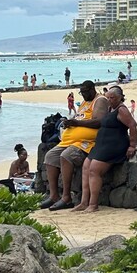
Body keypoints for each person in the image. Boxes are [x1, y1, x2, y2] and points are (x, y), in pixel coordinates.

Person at [41, 80, 109, 211]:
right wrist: (69, 123)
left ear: (92, 89)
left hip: (87, 143)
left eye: (84, 92)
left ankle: (66, 197)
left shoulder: (99, 100)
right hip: (69, 141)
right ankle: (54, 195)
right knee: (50, 156)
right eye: (81, 92)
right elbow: (81, 119)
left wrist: (76, 123)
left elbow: (99, 121)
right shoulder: (84, 103)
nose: (83, 95)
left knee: (66, 156)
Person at [73, 86, 137, 213]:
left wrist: (132, 145)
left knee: (94, 169)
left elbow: (133, 125)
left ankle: (93, 204)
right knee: (86, 166)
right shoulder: (109, 108)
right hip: (102, 145)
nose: (109, 100)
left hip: (114, 145)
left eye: (112, 98)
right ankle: (84, 202)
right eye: (107, 97)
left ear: (120, 98)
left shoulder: (121, 109)